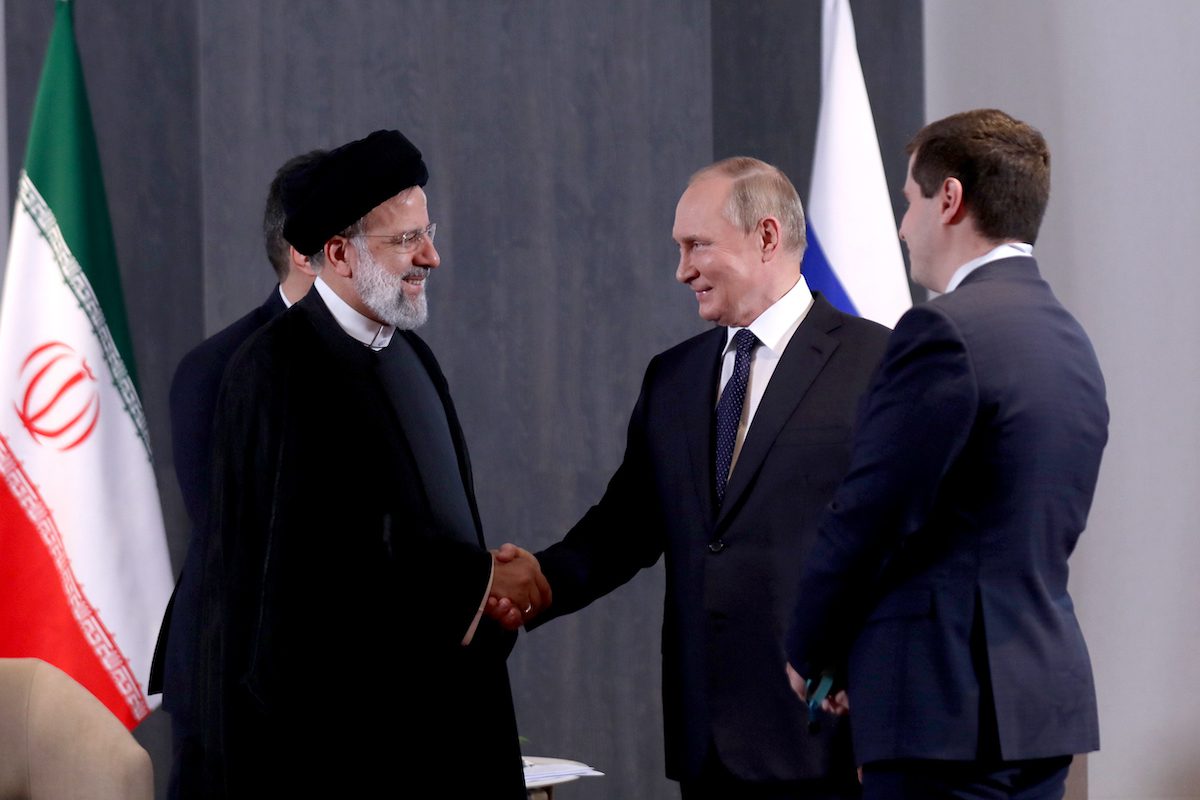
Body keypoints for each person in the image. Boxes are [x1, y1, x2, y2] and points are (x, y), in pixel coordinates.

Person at [499, 157, 891, 798]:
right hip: (706, 744)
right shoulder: (673, 378)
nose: (681, 270)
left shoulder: (876, 363)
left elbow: (898, 550)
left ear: (766, 237)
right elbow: (622, 530)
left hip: (827, 742)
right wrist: (536, 583)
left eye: (696, 246)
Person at [187, 130, 548, 798]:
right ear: (338, 254)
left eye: (428, 231)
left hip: (444, 730)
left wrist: (486, 596)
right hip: (339, 753)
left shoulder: (413, 358)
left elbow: (435, 535)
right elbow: (306, 588)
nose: (431, 256)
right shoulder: (274, 374)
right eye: (406, 240)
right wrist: (482, 582)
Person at [784, 109, 1107, 800]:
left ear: (950, 200)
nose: (902, 225)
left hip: (942, 715)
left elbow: (871, 513)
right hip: (1041, 711)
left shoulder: (942, 333)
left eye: (909, 200)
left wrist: (813, 648)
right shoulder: (1071, 341)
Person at [148, 149, 322, 798]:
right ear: (308, 250)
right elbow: (237, 544)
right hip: (238, 687)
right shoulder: (217, 369)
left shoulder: (386, 362)